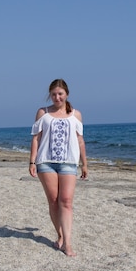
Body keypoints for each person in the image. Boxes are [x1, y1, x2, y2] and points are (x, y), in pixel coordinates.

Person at [29, 79, 88, 257]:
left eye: (60, 94)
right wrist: (32, 162)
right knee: (54, 200)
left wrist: (85, 164)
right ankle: (60, 236)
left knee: (66, 201)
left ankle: (67, 244)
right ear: (50, 95)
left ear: (66, 94)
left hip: (69, 162)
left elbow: (80, 140)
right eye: (54, 94)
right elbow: (36, 139)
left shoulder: (75, 115)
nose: (57, 97)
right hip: (45, 162)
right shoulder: (43, 113)